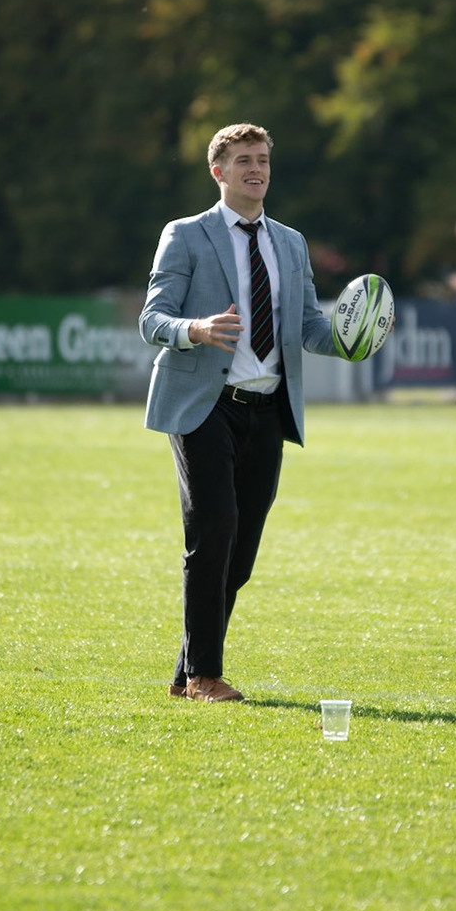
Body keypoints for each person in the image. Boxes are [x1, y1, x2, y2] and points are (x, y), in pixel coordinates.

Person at [139, 123, 336, 703]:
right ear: (218, 171)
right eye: (244, 160)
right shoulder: (185, 235)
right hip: (202, 408)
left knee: (241, 553)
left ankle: (185, 672)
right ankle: (205, 676)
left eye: (264, 160)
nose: (257, 169)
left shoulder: (291, 243)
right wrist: (195, 329)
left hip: (267, 411)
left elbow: (310, 328)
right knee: (214, 532)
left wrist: (353, 337)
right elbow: (153, 319)